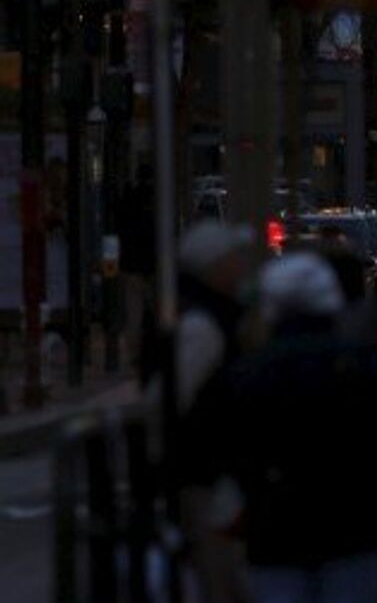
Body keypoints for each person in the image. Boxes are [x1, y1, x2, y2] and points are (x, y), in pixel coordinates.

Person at [221, 253, 377, 603]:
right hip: (356, 525)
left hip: (276, 528)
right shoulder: (368, 368)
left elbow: (235, 452)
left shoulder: (250, 374)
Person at [154, 221, 256, 603]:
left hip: (210, 467)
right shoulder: (204, 325)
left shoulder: (216, 316)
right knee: (219, 574)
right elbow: (168, 398)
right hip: (205, 470)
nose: (242, 266)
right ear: (215, 266)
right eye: (234, 259)